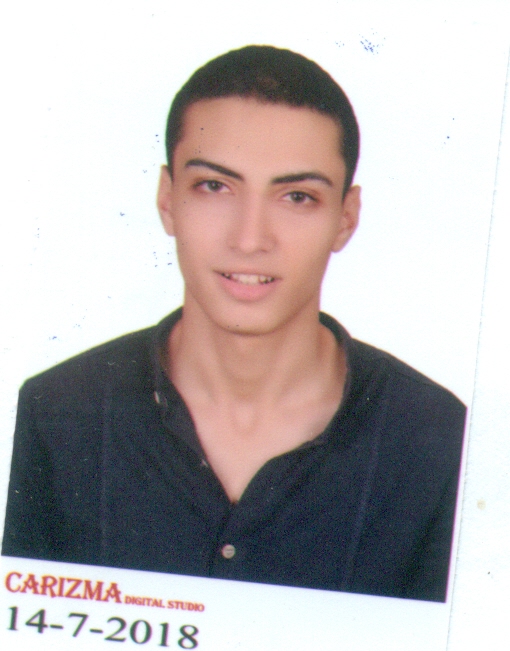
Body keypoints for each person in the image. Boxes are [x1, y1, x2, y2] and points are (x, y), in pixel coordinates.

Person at [2, 45, 465, 602]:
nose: (250, 239)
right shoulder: (58, 415)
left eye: (297, 196)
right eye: (215, 187)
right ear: (167, 200)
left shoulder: (440, 442)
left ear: (346, 219)